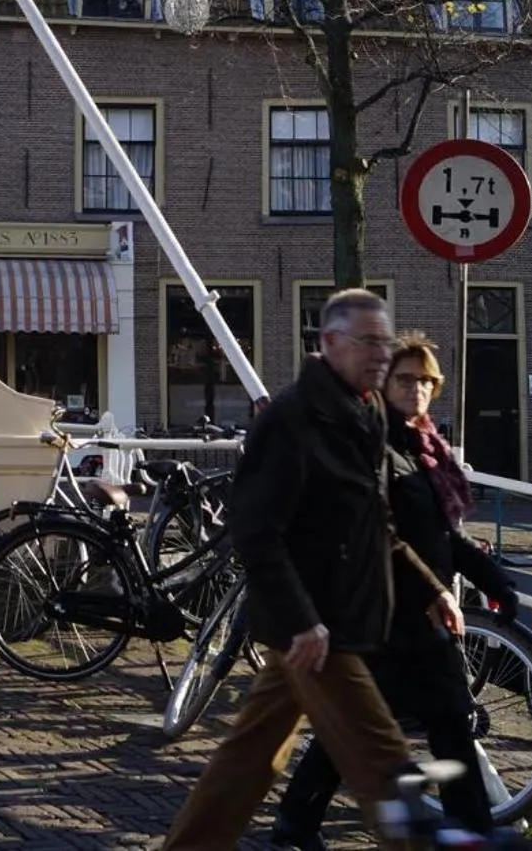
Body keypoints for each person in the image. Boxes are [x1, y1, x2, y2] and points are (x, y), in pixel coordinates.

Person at [163, 288, 459, 851]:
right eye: (369, 342)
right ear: (329, 342)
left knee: (247, 759)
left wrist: (431, 587)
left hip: (340, 615)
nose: (381, 354)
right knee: (381, 758)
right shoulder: (291, 421)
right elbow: (254, 530)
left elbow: (377, 524)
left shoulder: (366, 412)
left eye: (386, 341)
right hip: (318, 631)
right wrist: (302, 620)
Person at [270, 332, 519, 848]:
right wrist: (433, 591)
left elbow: (443, 536)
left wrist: (492, 580)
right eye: (406, 379)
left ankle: (297, 821)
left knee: (418, 719)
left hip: (421, 612)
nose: (418, 389)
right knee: (426, 718)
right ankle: (468, 828)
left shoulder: (424, 447)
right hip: (385, 611)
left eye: (427, 380)